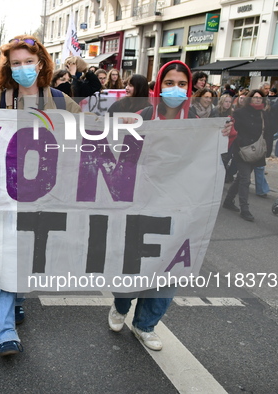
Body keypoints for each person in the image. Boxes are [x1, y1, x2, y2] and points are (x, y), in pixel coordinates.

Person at [0, 34, 81, 356]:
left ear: (41, 64)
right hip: (6, 196)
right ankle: (5, 331)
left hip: (46, 197)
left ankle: (19, 299)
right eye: (16, 63)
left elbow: (94, 137)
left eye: (28, 62)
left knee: (30, 256)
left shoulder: (63, 103)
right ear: (9, 67)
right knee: (5, 257)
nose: (23, 68)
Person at [107, 61, 201, 351]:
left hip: (180, 208)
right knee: (133, 266)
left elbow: (210, 160)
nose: (176, 89)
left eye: (182, 84)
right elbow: (122, 161)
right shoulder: (142, 117)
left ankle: (145, 325)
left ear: (190, 88)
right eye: (170, 83)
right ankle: (121, 305)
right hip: (142, 206)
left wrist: (226, 136)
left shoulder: (198, 120)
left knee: (170, 271)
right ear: (159, 86)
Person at [222, 90, 272, 221]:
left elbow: (268, 131)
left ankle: (228, 200)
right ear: (250, 99)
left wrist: (267, 149)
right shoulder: (240, 113)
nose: (257, 100)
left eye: (260, 98)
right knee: (245, 179)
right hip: (242, 150)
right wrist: (241, 142)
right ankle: (245, 208)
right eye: (255, 98)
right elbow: (234, 130)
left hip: (257, 151)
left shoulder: (263, 114)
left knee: (241, 178)